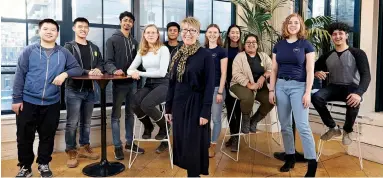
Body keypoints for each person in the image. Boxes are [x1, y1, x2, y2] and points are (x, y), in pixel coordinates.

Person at [12, 19, 82, 177]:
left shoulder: (63, 52)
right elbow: (19, 76)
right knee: (24, 137)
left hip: (52, 102)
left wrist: (65, 74)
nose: (49, 32)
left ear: (57, 33)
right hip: (28, 101)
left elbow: (77, 68)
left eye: (53, 29)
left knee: (47, 136)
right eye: (45, 29)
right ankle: (25, 167)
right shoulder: (29, 51)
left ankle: (43, 164)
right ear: (39, 31)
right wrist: (17, 99)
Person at [165, 17, 215, 177]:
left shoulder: (205, 55)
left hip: (196, 104)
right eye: (185, 30)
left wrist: (205, 111)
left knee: (194, 145)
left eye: (192, 30)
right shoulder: (177, 55)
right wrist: (168, 107)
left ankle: (194, 175)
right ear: (180, 33)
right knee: (183, 144)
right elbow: (172, 83)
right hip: (179, 104)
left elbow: (209, 85)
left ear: (198, 33)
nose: (188, 33)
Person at [269, 13, 317, 177]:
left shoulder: (306, 45)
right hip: (281, 86)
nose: (293, 25)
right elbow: (274, 70)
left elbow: (310, 70)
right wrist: (271, 90)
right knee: (285, 125)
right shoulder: (279, 45)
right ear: (286, 25)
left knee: (303, 126)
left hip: (299, 87)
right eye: (290, 22)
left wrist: (307, 92)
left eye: (296, 22)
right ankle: (290, 157)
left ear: (300, 26)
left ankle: (312, 164)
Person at [311, 22, 371, 145]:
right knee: (316, 97)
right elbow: (312, 68)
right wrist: (316, 72)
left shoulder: (358, 53)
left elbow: (366, 76)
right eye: (334, 34)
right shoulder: (327, 56)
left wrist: (359, 93)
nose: (337, 36)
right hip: (333, 87)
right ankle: (333, 128)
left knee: (353, 100)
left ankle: (347, 130)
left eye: (340, 33)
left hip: (352, 87)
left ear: (346, 35)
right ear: (331, 37)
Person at [63, 17, 103, 168]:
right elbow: (70, 66)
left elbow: (101, 62)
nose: (83, 29)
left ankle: (85, 146)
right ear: (74, 28)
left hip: (90, 89)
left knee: (86, 123)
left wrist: (98, 69)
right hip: (74, 89)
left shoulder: (93, 47)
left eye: (86, 27)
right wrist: (89, 71)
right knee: (72, 123)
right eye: (80, 26)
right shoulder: (68, 47)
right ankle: (71, 150)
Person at [104, 11, 144, 160]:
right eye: (125, 20)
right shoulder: (112, 40)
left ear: (132, 24)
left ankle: (130, 143)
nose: (127, 23)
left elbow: (139, 62)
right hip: (119, 84)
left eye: (130, 21)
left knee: (130, 114)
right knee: (115, 116)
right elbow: (107, 62)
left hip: (132, 84)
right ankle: (117, 146)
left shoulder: (134, 42)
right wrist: (115, 70)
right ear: (121, 22)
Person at [127, 24, 170, 153]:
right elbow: (129, 69)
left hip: (164, 83)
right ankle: (148, 126)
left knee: (147, 104)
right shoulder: (142, 51)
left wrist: (139, 73)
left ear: (158, 35)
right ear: (144, 35)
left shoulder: (163, 49)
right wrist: (132, 72)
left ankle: (164, 126)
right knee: (134, 103)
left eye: (153, 32)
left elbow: (162, 73)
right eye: (148, 32)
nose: (150, 35)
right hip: (150, 83)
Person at [230, 34, 274, 134]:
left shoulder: (263, 56)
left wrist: (263, 77)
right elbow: (236, 74)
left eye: (253, 42)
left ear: (257, 44)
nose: (251, 44)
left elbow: (271, 68)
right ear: (244, 45)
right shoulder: (239, 56)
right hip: (239, 85)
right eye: (248, 42)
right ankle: (245, 121)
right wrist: (249, 84)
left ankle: (253, 121)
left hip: (259, 87)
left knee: (271, 99)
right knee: (248, 96)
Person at [204, 24, 228, 158]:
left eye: (215, 32)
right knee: (204, 118)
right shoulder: (201, 50)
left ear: (219, 35)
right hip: (203, 90)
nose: (212, 34)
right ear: (206, 34)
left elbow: (224, 73)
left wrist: (220, 91)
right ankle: (205, 143)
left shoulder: (221, 51)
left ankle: (213, 144)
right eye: (210, 32)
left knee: (216, 119)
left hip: (215, 89)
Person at [223, 24, 243, 152]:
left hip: (240, 84)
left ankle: (236, 138)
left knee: (238, 111)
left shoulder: (243, 50)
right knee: (230, 111)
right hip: (226, 83)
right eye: (233, 32)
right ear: (228, 34)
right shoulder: (223, 49)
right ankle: (233, 135)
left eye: (237, 32)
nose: (235, 35)